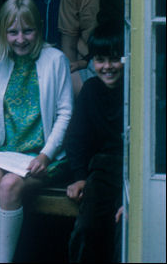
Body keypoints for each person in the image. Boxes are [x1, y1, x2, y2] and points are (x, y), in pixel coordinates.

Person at [0, 0, 73, 263]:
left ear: (38, 29)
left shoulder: (56, 60)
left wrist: (46, 155)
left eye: (27, 31)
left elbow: (65, 114)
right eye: (13, 32)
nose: (20, 39)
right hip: (9, 150)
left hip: (44, 155)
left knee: (8, 187)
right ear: (3, 33)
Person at [65, 21, 125, 262]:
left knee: (125, 227)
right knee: (87, 227)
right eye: (100, 60)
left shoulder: (137, 89)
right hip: (102, 170)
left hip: (132, 172)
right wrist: (80, 176)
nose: (107, 67)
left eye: (114, 59)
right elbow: (76, 138)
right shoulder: (90, 90)